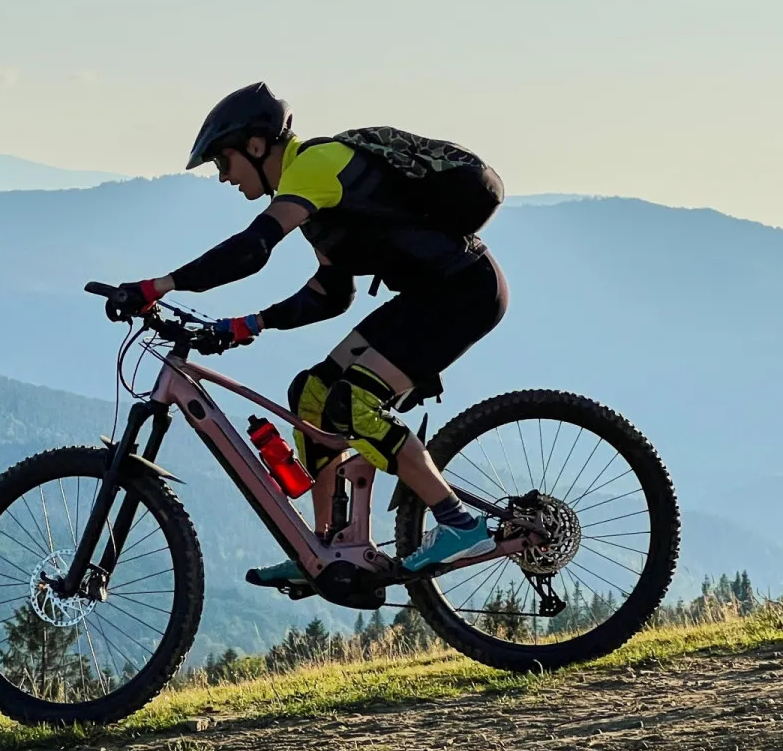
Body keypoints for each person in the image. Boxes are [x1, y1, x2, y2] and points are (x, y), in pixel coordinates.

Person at [108, 81, 509, 581]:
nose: (222, 177)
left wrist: (161, 285)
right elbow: (331, 293)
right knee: (313, 394)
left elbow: (254, 247)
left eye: (223, 162)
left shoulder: (317, 166)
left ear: (257, 146)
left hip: (463, 292)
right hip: (430, 296)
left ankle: (458, 524)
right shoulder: (313, 199)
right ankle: (328, 550)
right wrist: (251, 323)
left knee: (352, 402)